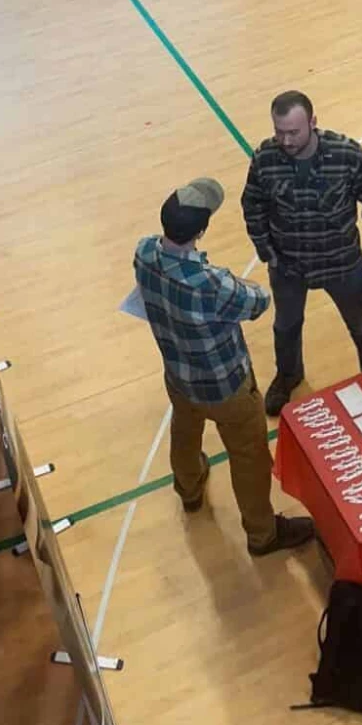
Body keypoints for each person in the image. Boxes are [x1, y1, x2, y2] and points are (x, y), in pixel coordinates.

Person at [134, 178, 317, 556]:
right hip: (227, 387)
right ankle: (262, 534)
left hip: (178, 375)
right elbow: (258, 301)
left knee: (185, 430)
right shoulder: (212, 285)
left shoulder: (144, 253)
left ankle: (189, 489)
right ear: (201, 231)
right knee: (249, 456)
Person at [242, 90, 362, 417]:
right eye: (279, 131)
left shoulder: (347, 155)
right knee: (286, 327)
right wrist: (267, 252)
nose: (285, 140)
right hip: (289, 266)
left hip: (341, 262)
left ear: (313, 122)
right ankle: (289, 375)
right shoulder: (265, 159)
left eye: (293, 131)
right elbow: (252, 205)